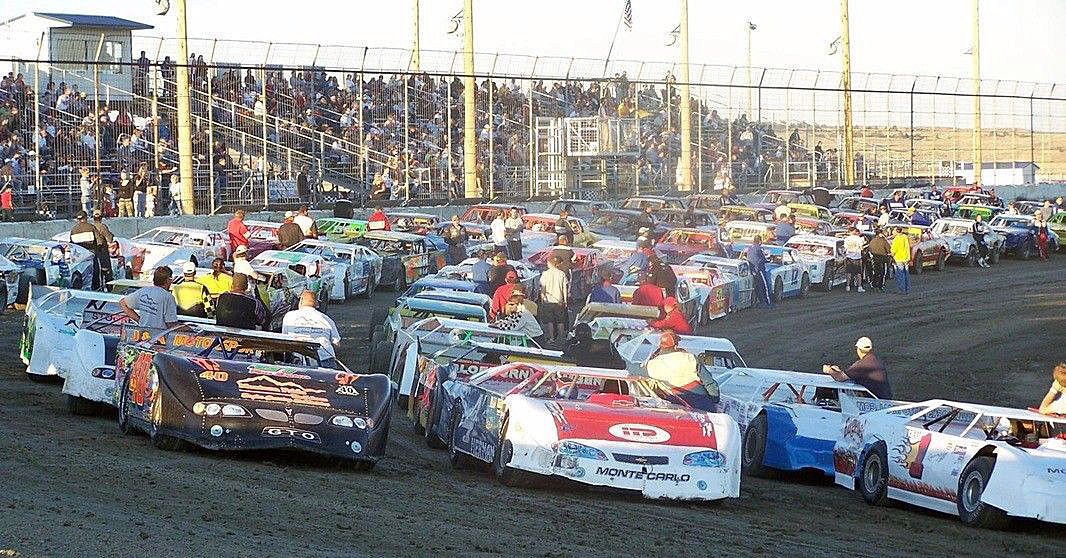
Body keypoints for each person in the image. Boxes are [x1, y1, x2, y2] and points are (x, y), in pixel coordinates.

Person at [647, 331, 717, 411]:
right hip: (698, 400)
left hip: (672, 402)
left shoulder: (652, 364)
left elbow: (636, 370)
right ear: (676, 346)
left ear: (661, 346)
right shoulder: (690, 358)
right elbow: (709, 382)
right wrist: (714, 400)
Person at [823, 336, 892, 399]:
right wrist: (839, 371)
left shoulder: (861, 365)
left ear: (858, 349)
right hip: (886, 398)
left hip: (875, 401)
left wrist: (829, 370)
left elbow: (840, 378)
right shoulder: (876, 360)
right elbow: (848, 375)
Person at [282, 291, 341, 356]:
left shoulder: (289, 316)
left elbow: (285, 339)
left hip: (299, 358)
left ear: (301, 301)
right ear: (316, 303)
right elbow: (336, 343)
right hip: (324, 357)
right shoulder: (326, 319)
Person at [538, 255, 569, 344]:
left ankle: (551, 338)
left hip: (548, 301)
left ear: (550, 263)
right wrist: (565, 300)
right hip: (559, 301)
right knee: (560, 320)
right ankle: (561, 338)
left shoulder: (545, 274)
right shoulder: (561, 274)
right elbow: (564, 289)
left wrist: (542, 299)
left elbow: (542, 288)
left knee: (550, 321)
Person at [70, 210, 103, 290]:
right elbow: (100, 241)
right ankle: (96, 290)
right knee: (95, 274)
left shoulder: (74, 230)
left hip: (78, 256)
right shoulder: (91, 227)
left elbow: (71, 244)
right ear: (86, 218)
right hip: (91, 254)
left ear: (77, 219)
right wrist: (98, 250)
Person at [746, 235, 772, 307]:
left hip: (752, 270)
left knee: (756, 286)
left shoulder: (750, 248)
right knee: (764, 285)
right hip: (759, 270)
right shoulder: (759, 249)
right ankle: (767, 302)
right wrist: (769, 260)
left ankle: (759, 301)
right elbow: (764, 259)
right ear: (760, 241)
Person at [91, 210, 115, 288]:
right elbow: (110, 239)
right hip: (102, 252)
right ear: (101, 218)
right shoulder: (102, 226)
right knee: (107, 271)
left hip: (93, 253)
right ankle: (109, 289)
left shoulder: (90, 226)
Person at [868, 228, 891, 292]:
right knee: (882, 273)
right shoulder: (883, 241)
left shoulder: (872, 241)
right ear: (880, 234)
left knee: (876, 272)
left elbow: (870, 249)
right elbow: (888, 249)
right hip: (882, 258)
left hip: (875, 258)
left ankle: (874, 284)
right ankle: (880, 286)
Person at [843, 227, 865, 293]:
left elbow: (845, 248)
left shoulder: (846, 239)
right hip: (857, 257)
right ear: (854, 231)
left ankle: (848, 286)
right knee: (858, 273)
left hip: (849, 257)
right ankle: (859, 287)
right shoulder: (858, 239)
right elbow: (861, 248)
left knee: (848, 273)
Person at [890, 228, 911, 294]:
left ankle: (902, 289)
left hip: (899, 258)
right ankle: (907, 289)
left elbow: (894, 250)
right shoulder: (905, 237)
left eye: (893, 231)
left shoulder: (896, 239)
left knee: (900, 274)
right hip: (906, 257)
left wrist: (890, 255)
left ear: (896, 231)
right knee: (906, 274)